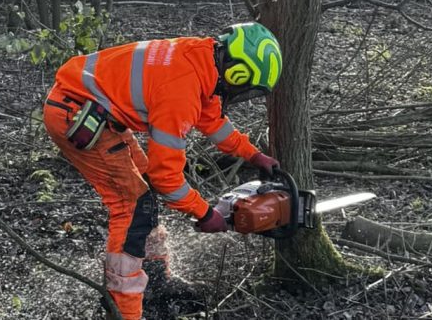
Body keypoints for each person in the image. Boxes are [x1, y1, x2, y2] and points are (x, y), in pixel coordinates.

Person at [41, 22, 282, 320]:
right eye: (244, 86)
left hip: (98, 112)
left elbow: (212, 119)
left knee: (144, 192)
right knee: (131, 206)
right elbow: (166, 177)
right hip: (76, 115)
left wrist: (252, 154)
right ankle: (123, 309)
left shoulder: (202, 57)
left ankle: (155, 280)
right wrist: (205, 214)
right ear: (237, 72)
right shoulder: (181, 90)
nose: (241, 91)